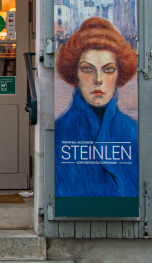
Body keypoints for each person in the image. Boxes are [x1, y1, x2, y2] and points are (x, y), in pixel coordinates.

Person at [54, 17, 138, 198]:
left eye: (108, 70)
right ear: (74, 74)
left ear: (118, 74)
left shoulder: (134, 133)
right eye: (87, 69)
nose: (98, 79)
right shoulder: (58, 133)